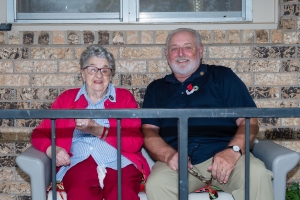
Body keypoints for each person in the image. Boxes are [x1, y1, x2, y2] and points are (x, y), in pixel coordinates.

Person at [141, 28, 274, 200]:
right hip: (178, 163)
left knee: (256, 174)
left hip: (226, 158)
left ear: (200, 50)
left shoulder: (222, 77)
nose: (181, 53)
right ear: (167, 54)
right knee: (157, 183)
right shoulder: (156, 88)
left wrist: (233, 151)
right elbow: (148, 130)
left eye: (187, 47)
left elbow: (249, 120)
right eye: (174, 48)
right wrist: (169, 155)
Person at [31, 44, 150, 200]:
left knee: (122, 194)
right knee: (81, 194)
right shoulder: (66, 99)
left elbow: (135, 142)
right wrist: (52, 150)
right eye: (92, 69)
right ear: (83, 73)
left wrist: (98, 130)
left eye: (104, 70)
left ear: (111, 74)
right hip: (78, 162)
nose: (99, 75)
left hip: (120, 162)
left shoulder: (124, 98)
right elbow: (39, 133)